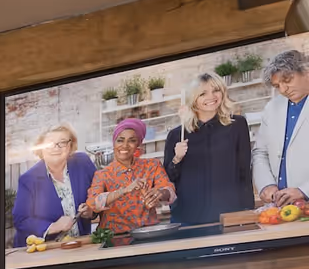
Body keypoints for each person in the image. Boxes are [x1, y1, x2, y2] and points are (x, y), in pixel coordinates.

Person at [163, 72, 252, 227]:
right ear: (193, 99)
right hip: (189, 217)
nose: (211, 97)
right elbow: (168, 179)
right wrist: (177, 159)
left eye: (216, 90)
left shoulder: (237, 125)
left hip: (229, 213)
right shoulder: (177, 135)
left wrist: (247, 209)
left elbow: (244, 169)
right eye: (203, 93)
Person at [81, 118, 174, 237]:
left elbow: (169, 190)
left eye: (132, 141)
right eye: (120, 140)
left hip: (148, 234)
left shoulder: (152, 165)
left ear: (138, 144)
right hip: (115, 238)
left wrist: (160, 193)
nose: (125, 145)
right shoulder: (103, 174)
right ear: (114, 143)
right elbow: (93, 203)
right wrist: (124, 190)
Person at [10, 124, 96, 246]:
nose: (56, 148)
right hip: (43, 249)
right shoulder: (28, 179)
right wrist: (52, 226)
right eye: (50, 143)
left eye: (62, 142)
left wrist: (92, 210)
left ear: (70, 146)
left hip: (80, 245)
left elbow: (98, 193)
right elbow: (21, 220)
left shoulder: (83, 163)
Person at [253, 49, 309, 207]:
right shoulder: (272, 107)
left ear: (306, 72)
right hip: (281, 206)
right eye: (277, 86)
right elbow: (260, 152)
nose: (283, 90)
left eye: (287, 80)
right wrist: (266, 184)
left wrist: (304, 190)